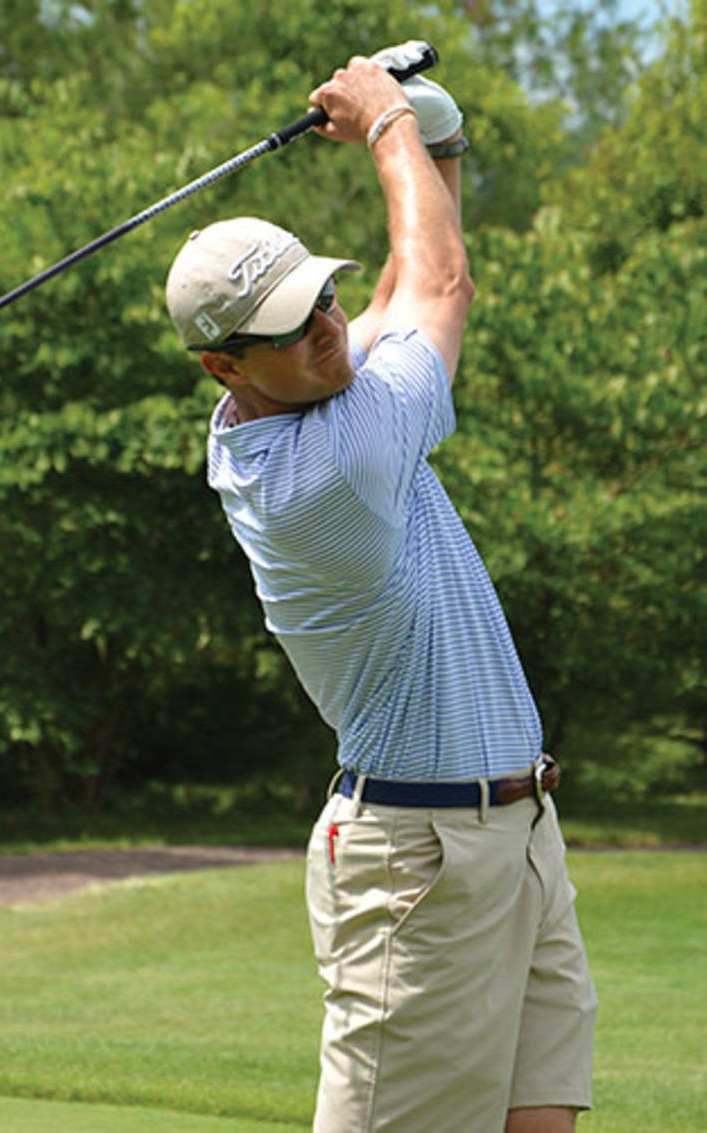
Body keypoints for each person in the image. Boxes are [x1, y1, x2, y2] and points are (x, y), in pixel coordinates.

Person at [164, 44, 598, 1133]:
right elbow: (441, 283)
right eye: (293, 330)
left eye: (324, 302)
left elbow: (406, 281)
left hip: (518, 827)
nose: (327, 331)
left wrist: (433, 145)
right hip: (419, 859)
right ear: (224, 365)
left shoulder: (317, 393)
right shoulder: (328, 471)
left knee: (541, 1117)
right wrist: (388, 125)